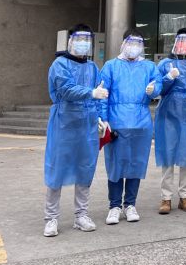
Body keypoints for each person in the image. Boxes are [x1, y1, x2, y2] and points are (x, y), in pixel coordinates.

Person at [43, 24, 107, 237]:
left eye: (87, 40)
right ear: (70, 41)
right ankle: (51, 218)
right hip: (64, 121)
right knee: (57, 168)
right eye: (79, 39)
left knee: (85, 168)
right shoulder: (59, 64)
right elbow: (66, 89)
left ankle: (81, 215)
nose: (83, 44)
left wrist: (100, 117)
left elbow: (99, 93)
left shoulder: (92, 67)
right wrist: (91, 93)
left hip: (87, 123)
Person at [98, 29, 162, 225]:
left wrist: (154, 90)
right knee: (116, 165)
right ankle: (114, 206)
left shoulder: (149, 67)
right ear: (123, 43)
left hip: (141, 122)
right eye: (131, 43)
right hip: (116, 122)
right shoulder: (111, 66)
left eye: (138, 43)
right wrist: (103, 118)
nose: (134, 47)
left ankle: (130, 204)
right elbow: (102, 94)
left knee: (136, 163)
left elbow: (158, 85)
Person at [154, 28, 186, 215]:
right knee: (168, 155)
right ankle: (166, 198)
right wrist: (169, 78)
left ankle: (185, 197)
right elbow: (159, 89)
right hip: (168, 111)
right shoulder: (165, 64)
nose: (185, 45)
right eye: (182, 41)